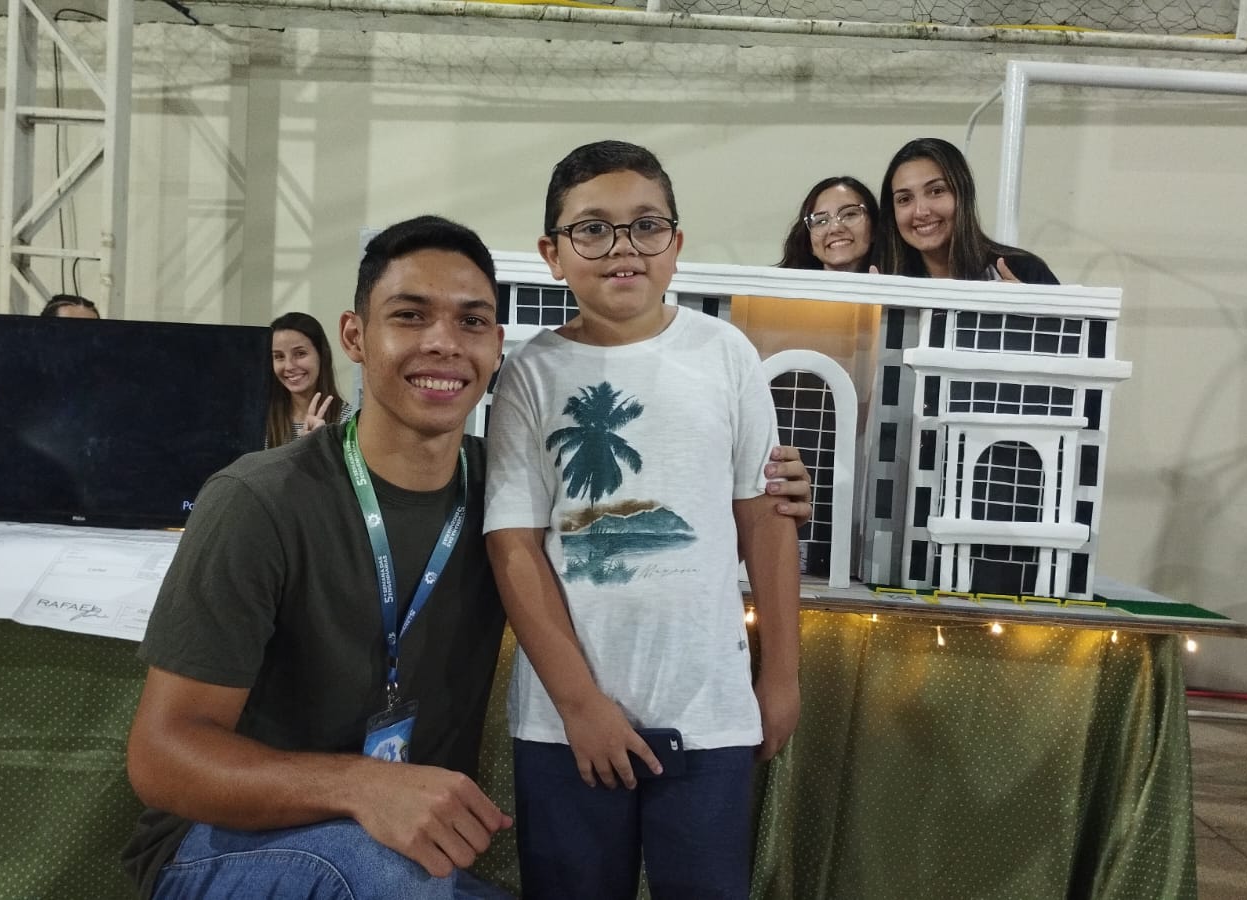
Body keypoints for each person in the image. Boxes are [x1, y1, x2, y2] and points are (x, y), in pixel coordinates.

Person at [122, 215, 814, 900]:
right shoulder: (259, 500)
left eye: (472, 321)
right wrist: (360, 785)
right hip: (224, 847)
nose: (443, 342)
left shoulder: (506, 498)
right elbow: (162, 757)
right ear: (354, 336)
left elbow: (653, 508)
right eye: (410, 315)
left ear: (497, 347)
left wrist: (770, 488)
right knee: (391, 876)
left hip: (403, 852)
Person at [484, 141, 802, 900]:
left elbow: (766, 519)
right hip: (565, 723)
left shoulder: (726, 354)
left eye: (646, 225)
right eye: (593, 229)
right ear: (553, 254)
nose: (623, 247)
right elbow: (514, 546)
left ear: (676, 244)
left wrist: (782, 674)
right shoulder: (529, 372)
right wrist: (579, 704)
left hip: (709, 711)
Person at [875, 137, 1060, 284]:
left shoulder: (1025, 271)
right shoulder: (887, 280)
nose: (920, 211)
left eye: (936, 191)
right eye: (904, 199)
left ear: (963, 194)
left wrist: (1027, 311)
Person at [268, 311, 351, 448]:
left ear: (322, 355)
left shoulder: (348, 421)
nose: (289, 366)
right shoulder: (261, 421)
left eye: (300, 353)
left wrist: (318, 448)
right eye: (279, 356)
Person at [776, 175, 883, 273]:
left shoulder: (893, 282)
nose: (835, 228)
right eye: (821, 221)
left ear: (874, 228)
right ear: (809, 244)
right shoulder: (779, 287)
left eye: (849, 214)